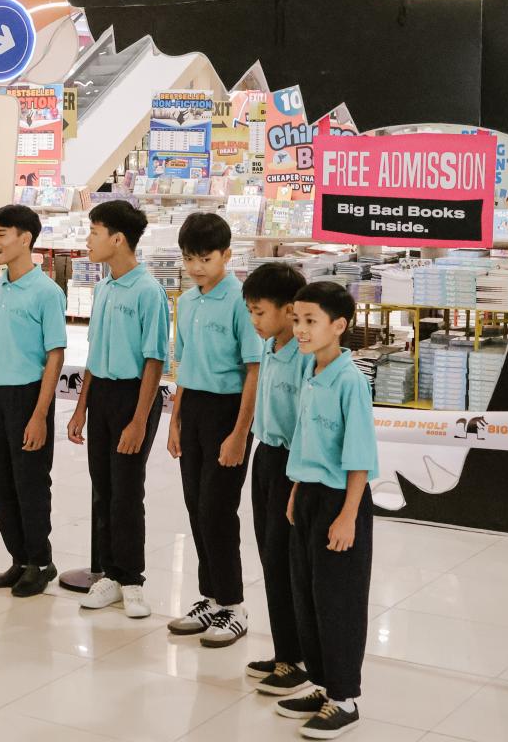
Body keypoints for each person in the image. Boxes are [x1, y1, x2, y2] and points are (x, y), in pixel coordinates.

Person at [276, 281, 378, 739]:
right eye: (296, 319)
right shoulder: (310, 371)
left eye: (310, 320)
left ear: (339, 325)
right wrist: (297, 488)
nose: (300, 329)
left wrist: (348, 514)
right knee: (308, 594)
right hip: (310, 493)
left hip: (341, 500)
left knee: (339, 599)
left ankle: (345, 697)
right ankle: (320, 683)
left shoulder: (350, 381)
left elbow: (359, 456)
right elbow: (305, 439)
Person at [66, 200, 169, 619]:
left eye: (94, 232)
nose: (87, 240)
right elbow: (94, 353)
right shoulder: (105, 287)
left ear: (118, 239)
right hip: (103, 395)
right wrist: (80, 409)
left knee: (127, 492)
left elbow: (154, 361)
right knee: (103, 488)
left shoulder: (149, 291)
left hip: (133, 398)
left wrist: (139, 420)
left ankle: (132, 580)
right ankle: (109, 573)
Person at [166, 211, 263, 647]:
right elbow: (183, 367)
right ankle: (210, 598)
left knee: (217, 510)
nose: (197, 267)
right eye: (189, 258)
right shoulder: (186, 302)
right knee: (194, 506)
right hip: (195, 410)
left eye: (205, 257)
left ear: (227, 254)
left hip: (229, 411)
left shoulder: (242, 302)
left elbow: (253, 370)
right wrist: (175, 420)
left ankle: (234, 605)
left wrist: (241, 432)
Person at [0, 204, 65, 598]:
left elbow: (55, 355)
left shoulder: (46, 292)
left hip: (28, 398)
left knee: (31, 484)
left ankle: (40, 561)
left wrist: (40, 414)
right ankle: (20, 559)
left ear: (26, 239)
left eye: (3, 234)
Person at [241, 262, 311, 696]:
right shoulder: (268, 346)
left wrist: (298, 482)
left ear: (289, 310)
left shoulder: (304, 357)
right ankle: (284, 649)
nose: (254, 321)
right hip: (265, 456)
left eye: (259, 312)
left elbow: (305, 424)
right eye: (250, 311)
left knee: (288, 563)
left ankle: (297, 658)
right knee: (269, 557)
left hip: (291, 464)